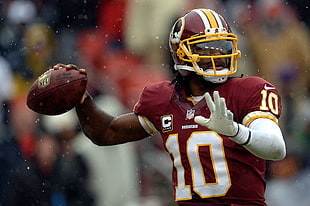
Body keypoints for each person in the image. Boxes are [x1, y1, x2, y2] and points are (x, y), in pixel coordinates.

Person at [53, 8, 286, 206]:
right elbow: (106, 132)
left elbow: (276, 148)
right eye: (208, 48)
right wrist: (81, 99)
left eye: (222, 47)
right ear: (182, 54)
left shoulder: (249, 90)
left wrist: (237, 132)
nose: (219, 56)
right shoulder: (163, 99)